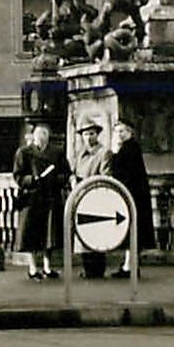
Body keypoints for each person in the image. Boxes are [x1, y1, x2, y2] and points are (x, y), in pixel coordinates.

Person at [13, 123, 64, 281]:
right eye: (39, 134)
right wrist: (31, 179)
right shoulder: (24, 152)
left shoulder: (57, 152)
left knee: (49, 234)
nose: (42, 137)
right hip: (31, 198)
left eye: (45, 134)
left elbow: (65, 171)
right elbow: (18, 175)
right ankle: (33, 267)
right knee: (30, 234)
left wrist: (57, 179)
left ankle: (48, 267)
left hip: (50, 196)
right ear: (33, 136)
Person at [107, 122, 155, 275]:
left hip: (133, 195)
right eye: (117, 131)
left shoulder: (129, 148)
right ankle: (129, 264)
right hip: (134, 194)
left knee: (132, 230)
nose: (119, 134)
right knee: (132, 231)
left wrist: (114, 154)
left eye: (122, 131)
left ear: (130, 132)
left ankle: (130, 266)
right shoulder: (130, 147)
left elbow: (120, 172)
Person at [73, 117, 111, 279]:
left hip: (95, 197)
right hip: (81, 197)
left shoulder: (104, 153)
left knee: (97, 232)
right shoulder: (80, 154)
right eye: (85, 134)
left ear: (97, 135)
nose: (88, 137)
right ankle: (87, 268)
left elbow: (106, 175)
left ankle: (97, 269)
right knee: (83, 233)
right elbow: (75, 172)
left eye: (91, 133)